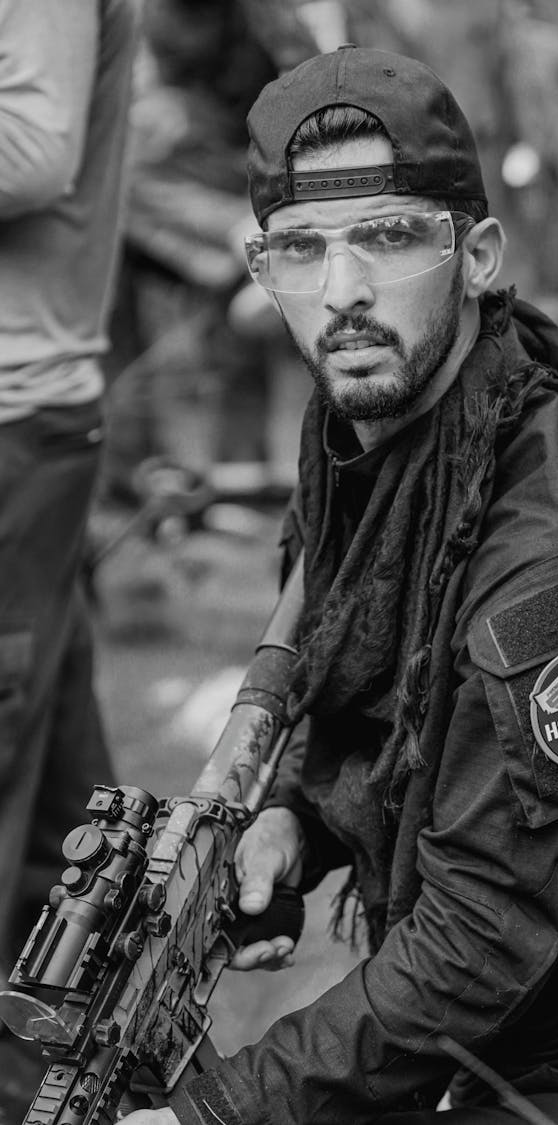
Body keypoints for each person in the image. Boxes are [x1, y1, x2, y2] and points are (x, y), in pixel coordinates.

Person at [120, 46, 558, 1125]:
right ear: (260, 272)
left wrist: (216, 1114)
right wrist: (296, 823)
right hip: (495, 1041)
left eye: (390, 235)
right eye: (302, 251)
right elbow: (398, 705)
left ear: (479, 256)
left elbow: (478, 943)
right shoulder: (375, 447)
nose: (345, 292)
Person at [0, 1, 140, 1117]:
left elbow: (35, 151)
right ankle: (76, 1084)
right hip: (26, 422)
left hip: (10, 418)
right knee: (66, 830)